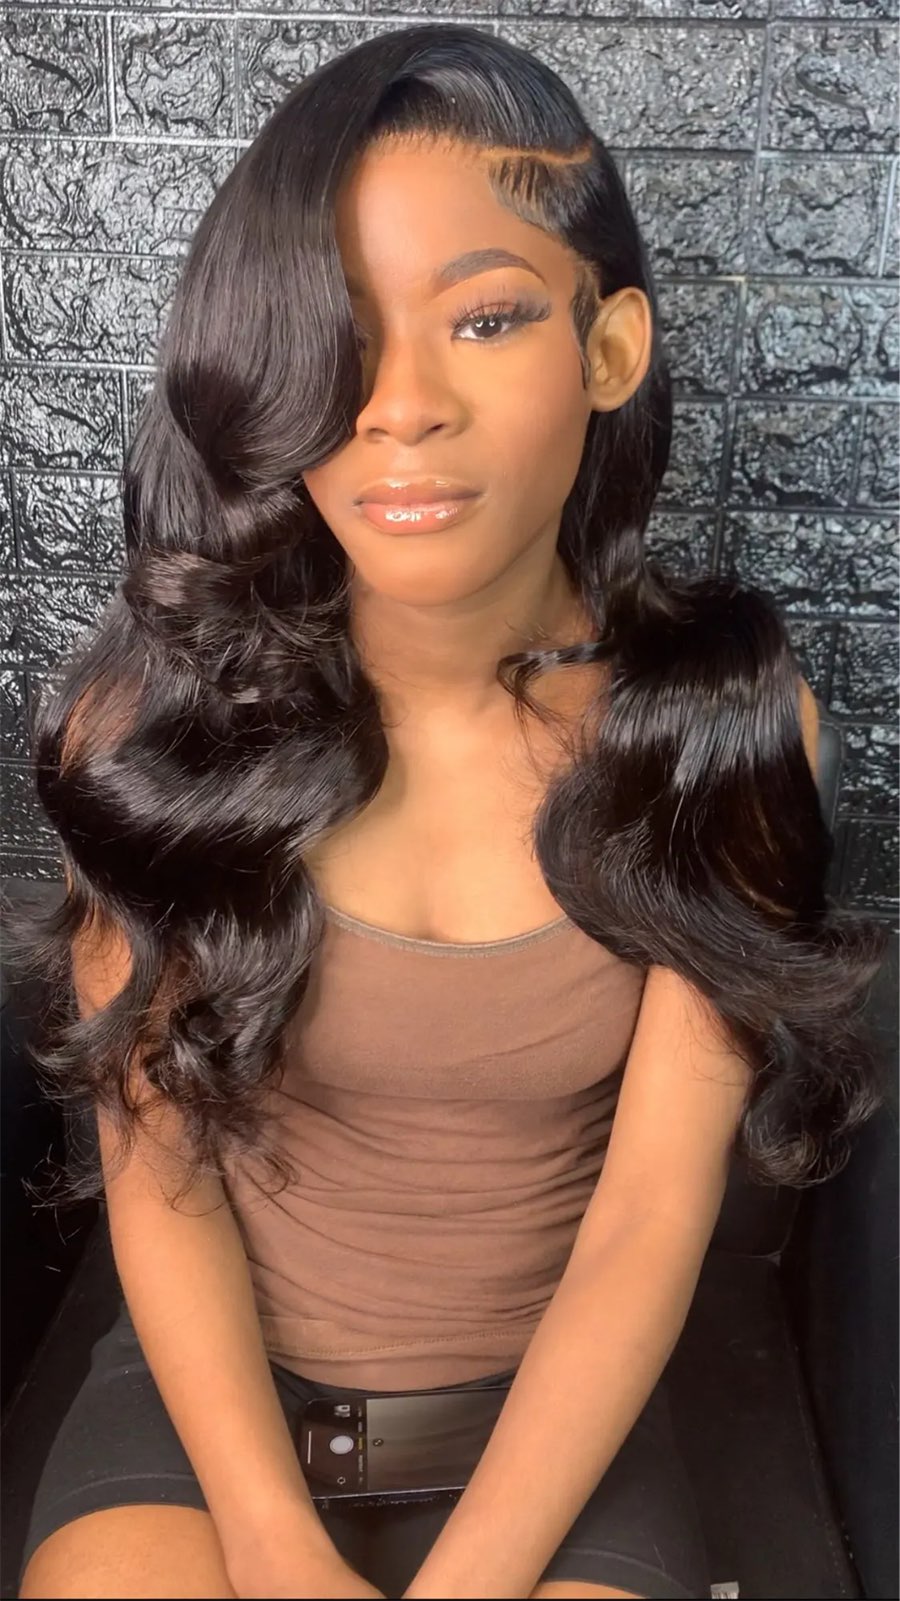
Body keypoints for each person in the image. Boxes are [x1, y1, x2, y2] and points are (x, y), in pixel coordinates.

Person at [7, 22, 888, 1601]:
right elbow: (162, 1178)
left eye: (484, 317)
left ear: (607, 349)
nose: (399, 405)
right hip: (213, 1423)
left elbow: (647, 1223)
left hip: (557, 1430)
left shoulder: (718, 735)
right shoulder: (155, 731)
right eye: (337, 334)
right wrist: (274, 1543)